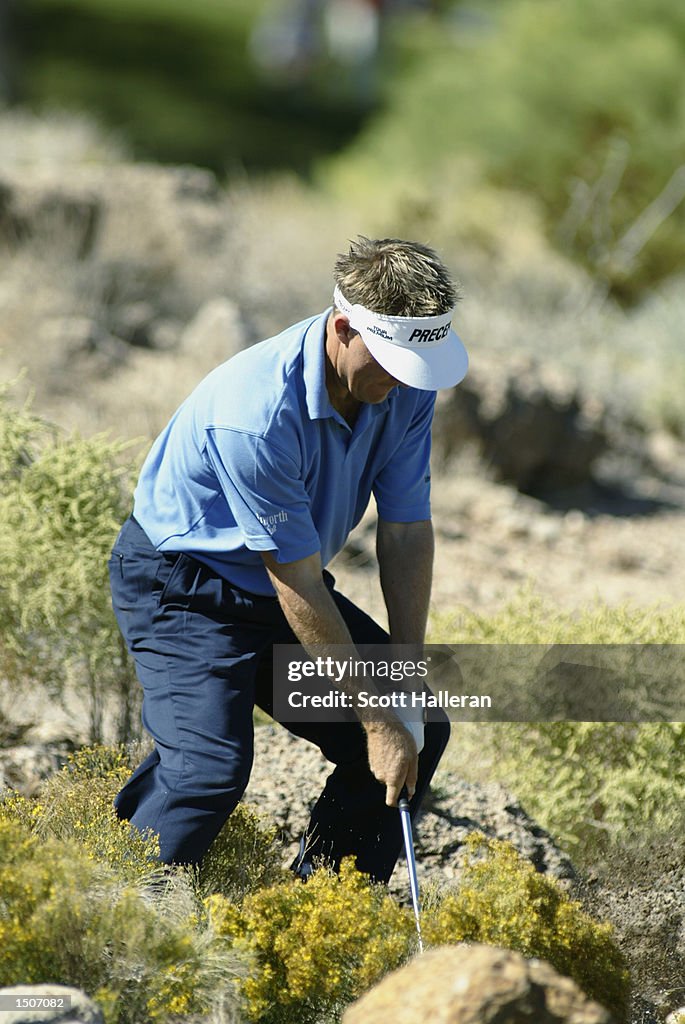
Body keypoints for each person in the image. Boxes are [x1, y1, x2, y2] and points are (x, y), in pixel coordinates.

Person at [108, 236, 468, 884]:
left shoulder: (404, 385)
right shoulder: (254, 413)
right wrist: (378, 718)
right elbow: (297, 579)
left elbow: (407, 529)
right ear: (342, 327)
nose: (402, 384)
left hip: (279, 591)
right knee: (206, 773)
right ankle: (114, 921)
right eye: (389, 364)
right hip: (184, 589)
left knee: (419, 729)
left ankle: (323, 923)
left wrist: (402, 678)